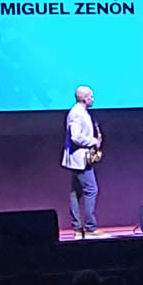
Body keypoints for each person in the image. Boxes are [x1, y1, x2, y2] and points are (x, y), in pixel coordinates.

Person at [61, 85, 105, 238]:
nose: (93, 99)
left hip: (80, 158)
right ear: (85, 98)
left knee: (76, 192)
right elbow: (75, 137)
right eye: (91, 96)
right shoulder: (77, 114)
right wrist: (93, 141)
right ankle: (90, 228)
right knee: (91, 190)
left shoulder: (81, 112)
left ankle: (77, 228)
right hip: (79, 159)